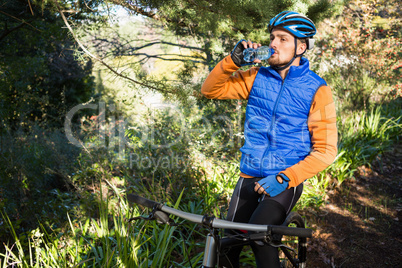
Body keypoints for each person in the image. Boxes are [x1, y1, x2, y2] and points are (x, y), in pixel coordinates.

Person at [201, 11, 338, 268]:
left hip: (285, 178)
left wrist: (286, 177)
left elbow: (326, 150)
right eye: (272, 37)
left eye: (283, 39)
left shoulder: (317, 88)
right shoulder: (256, 77)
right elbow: (210, 90)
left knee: (258, 236)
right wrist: (232, 61)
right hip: (250, 174)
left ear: (302, 46)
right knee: (229, 240)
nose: (273, 44)